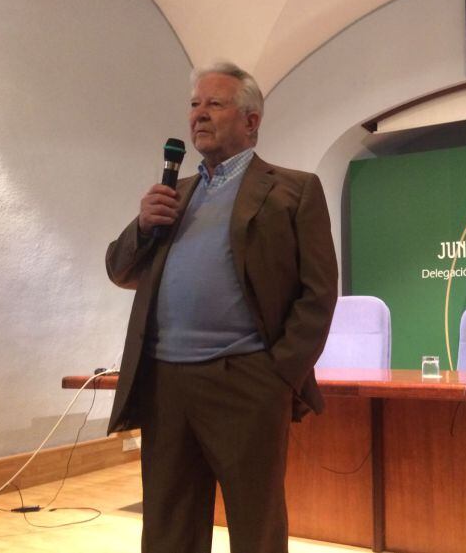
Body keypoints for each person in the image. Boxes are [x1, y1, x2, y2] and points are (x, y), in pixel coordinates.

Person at [105, 61, 338, 553]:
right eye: (194, 105)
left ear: (251, 120)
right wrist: (144, 226)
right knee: (168, 528)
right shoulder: (174, 194)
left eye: (215, 103)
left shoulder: (294, 189)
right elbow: (120, 271)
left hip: (246, 382)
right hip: (165, 382)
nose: (199, 115)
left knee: (255, 526)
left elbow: (318, 294)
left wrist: (277, 377)